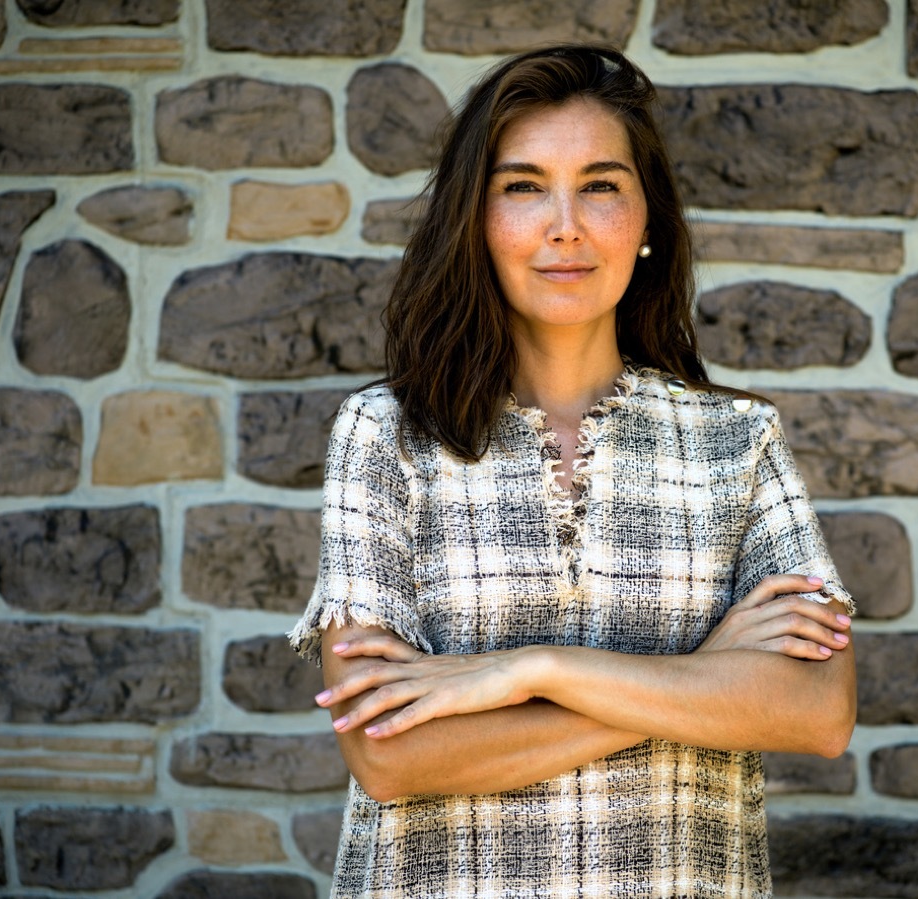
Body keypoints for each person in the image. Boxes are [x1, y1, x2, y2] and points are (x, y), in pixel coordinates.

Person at [291, 43, 856, 898]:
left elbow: (818, 711)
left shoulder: (738, 442)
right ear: (475, 221)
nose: (566, 224)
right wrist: (704, 676)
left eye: (600, 184)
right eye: (522, 186)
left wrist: (529, 670)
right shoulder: (386, 438)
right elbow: (389, 754)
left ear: (648, 222)